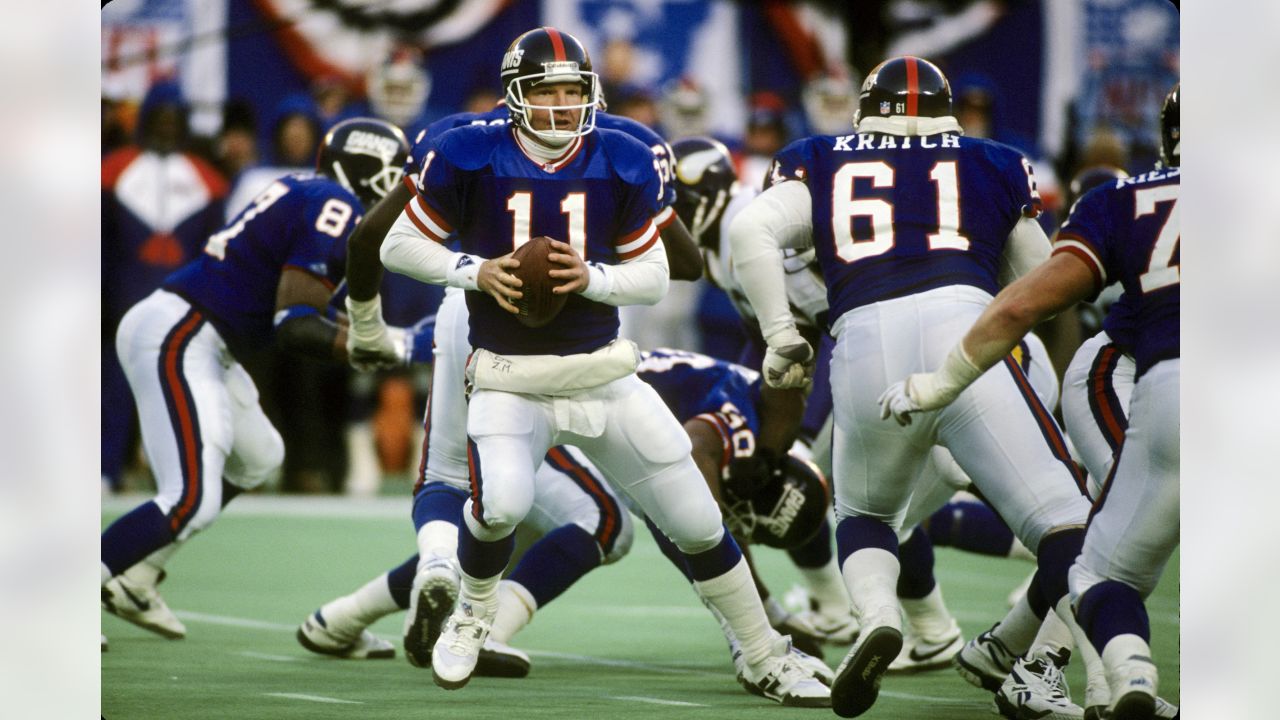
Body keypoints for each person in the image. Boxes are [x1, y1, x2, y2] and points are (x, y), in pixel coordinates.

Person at [368, 26, 828, 705]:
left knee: (698, 521)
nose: (560, 105)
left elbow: (655, 273)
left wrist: (589, 277)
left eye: (572, 91)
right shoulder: (466, 148)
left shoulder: (625, 152)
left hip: (604, 373)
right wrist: (476, 270)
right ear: (514, 96)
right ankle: (470, 617)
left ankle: (765, 654)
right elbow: (399, 245)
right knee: (501, 508)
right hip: (507, 375)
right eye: (546, 91)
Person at [729, 56, 1095, 718]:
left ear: (869, 106)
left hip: (864, 337)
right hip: (970, 335)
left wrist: (782, 333)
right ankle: (1044, 661)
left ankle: (876, 617)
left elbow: (749, 231)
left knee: (866, 513)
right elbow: (1040, 280)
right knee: (1071, 527)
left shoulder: (819, 154)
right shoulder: (994, 160)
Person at [880, 84, 1180, 720]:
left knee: (1109, 543)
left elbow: (1028, 300)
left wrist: (941, 382)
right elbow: (1031, 298)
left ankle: (1011, 649)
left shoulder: (1124, 201)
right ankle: (1055, 672)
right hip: (1123, 372)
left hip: (1158, 382)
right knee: (1100, 535)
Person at [101, 118, 427, 646]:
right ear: (366, 172)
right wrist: (377, 346)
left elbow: (308, 315)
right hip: (183, 333)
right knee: (189, 499)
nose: (400, 190)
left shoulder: (312, 192)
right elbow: (295, 324)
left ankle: (137, 578)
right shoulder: (334, 204)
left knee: (260, 455)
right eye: (394, 176)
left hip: (202, 336)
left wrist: (373, 339)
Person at [102, 80, 229, 493]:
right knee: (113, 390)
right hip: (121, 299)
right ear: (145, 121)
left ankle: (179, 477)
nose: (167, 128)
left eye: (175, 121)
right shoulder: (114, 170)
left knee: (182, 393)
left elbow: (214, 252)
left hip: (181, 305)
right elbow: (99, 242)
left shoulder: (206, 180)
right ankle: (106, 468)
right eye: (160, 119)